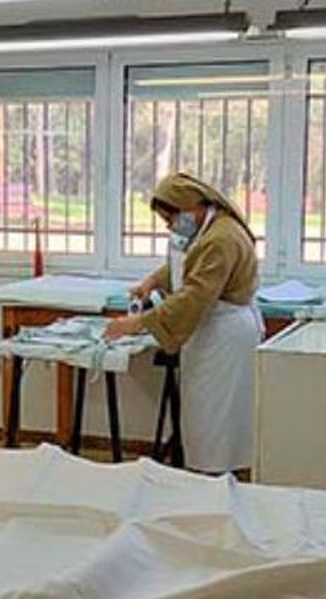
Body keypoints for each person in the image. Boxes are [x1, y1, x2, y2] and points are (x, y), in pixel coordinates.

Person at [104, 172, 261, 475]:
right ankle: (208, 476)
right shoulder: (206, 230)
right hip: (210, 333)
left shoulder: (221, 239)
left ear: (191, 206)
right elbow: (186, 264)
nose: (171, 227)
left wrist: (138, 323)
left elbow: (194, 295)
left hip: (224, 338)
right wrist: (152, 281)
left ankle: (217, 482)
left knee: (218, 424)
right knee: (204, 419)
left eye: (171, 219)